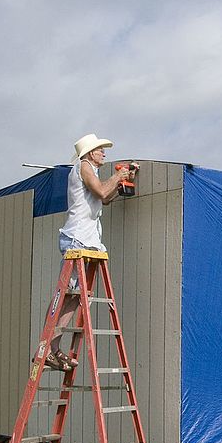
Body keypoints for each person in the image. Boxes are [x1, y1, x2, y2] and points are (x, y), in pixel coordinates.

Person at [44, 133, 138, 371]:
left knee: (75, 298)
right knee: (67, 295)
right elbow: (102, 193)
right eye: (100, 150)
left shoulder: (92, 171)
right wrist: (118, 176)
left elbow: (105, 200)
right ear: (89, 153)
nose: (104, 153)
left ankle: (53, 349)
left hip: (88, 241)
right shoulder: (83, 166)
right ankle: (45, 349)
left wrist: (123, 182)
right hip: (77, 239)